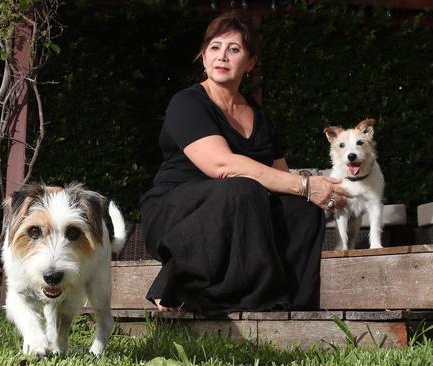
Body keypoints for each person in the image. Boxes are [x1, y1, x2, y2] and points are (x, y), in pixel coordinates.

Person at [140, 10, 348, 314]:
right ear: (203, 56)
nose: (222, 56)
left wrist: (323, 190)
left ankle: (289, 305)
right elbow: (221, 166)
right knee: (242, 188)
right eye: (214, 47)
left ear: (250, 63)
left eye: (234, 49)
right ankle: (181, 284)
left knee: (303, 210)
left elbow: (280, 180)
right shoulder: (187, 103)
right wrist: (305, 184)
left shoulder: (259, 117)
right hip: (177, 213)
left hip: (238, 207)